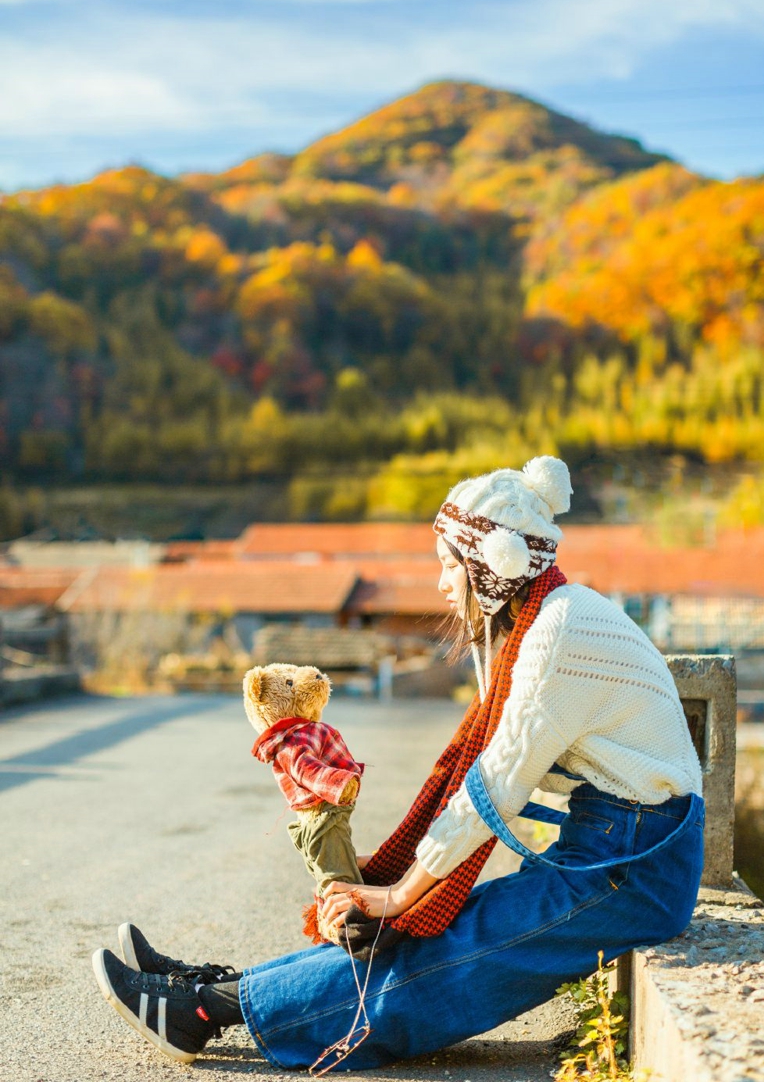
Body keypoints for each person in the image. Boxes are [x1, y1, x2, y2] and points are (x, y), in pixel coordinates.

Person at [92, 455, 704, 1070]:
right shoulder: (550, 618)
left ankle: (206, 1010)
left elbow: (495, 783)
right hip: (614, 846)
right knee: (436, 934)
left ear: (494, 566)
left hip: (634, 869)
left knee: (446, 956)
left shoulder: (559, 632)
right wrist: (396, 878)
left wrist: (401, 891)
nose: (441, 584)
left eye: (449, 565)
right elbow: (490, 771)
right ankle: (211, 990)